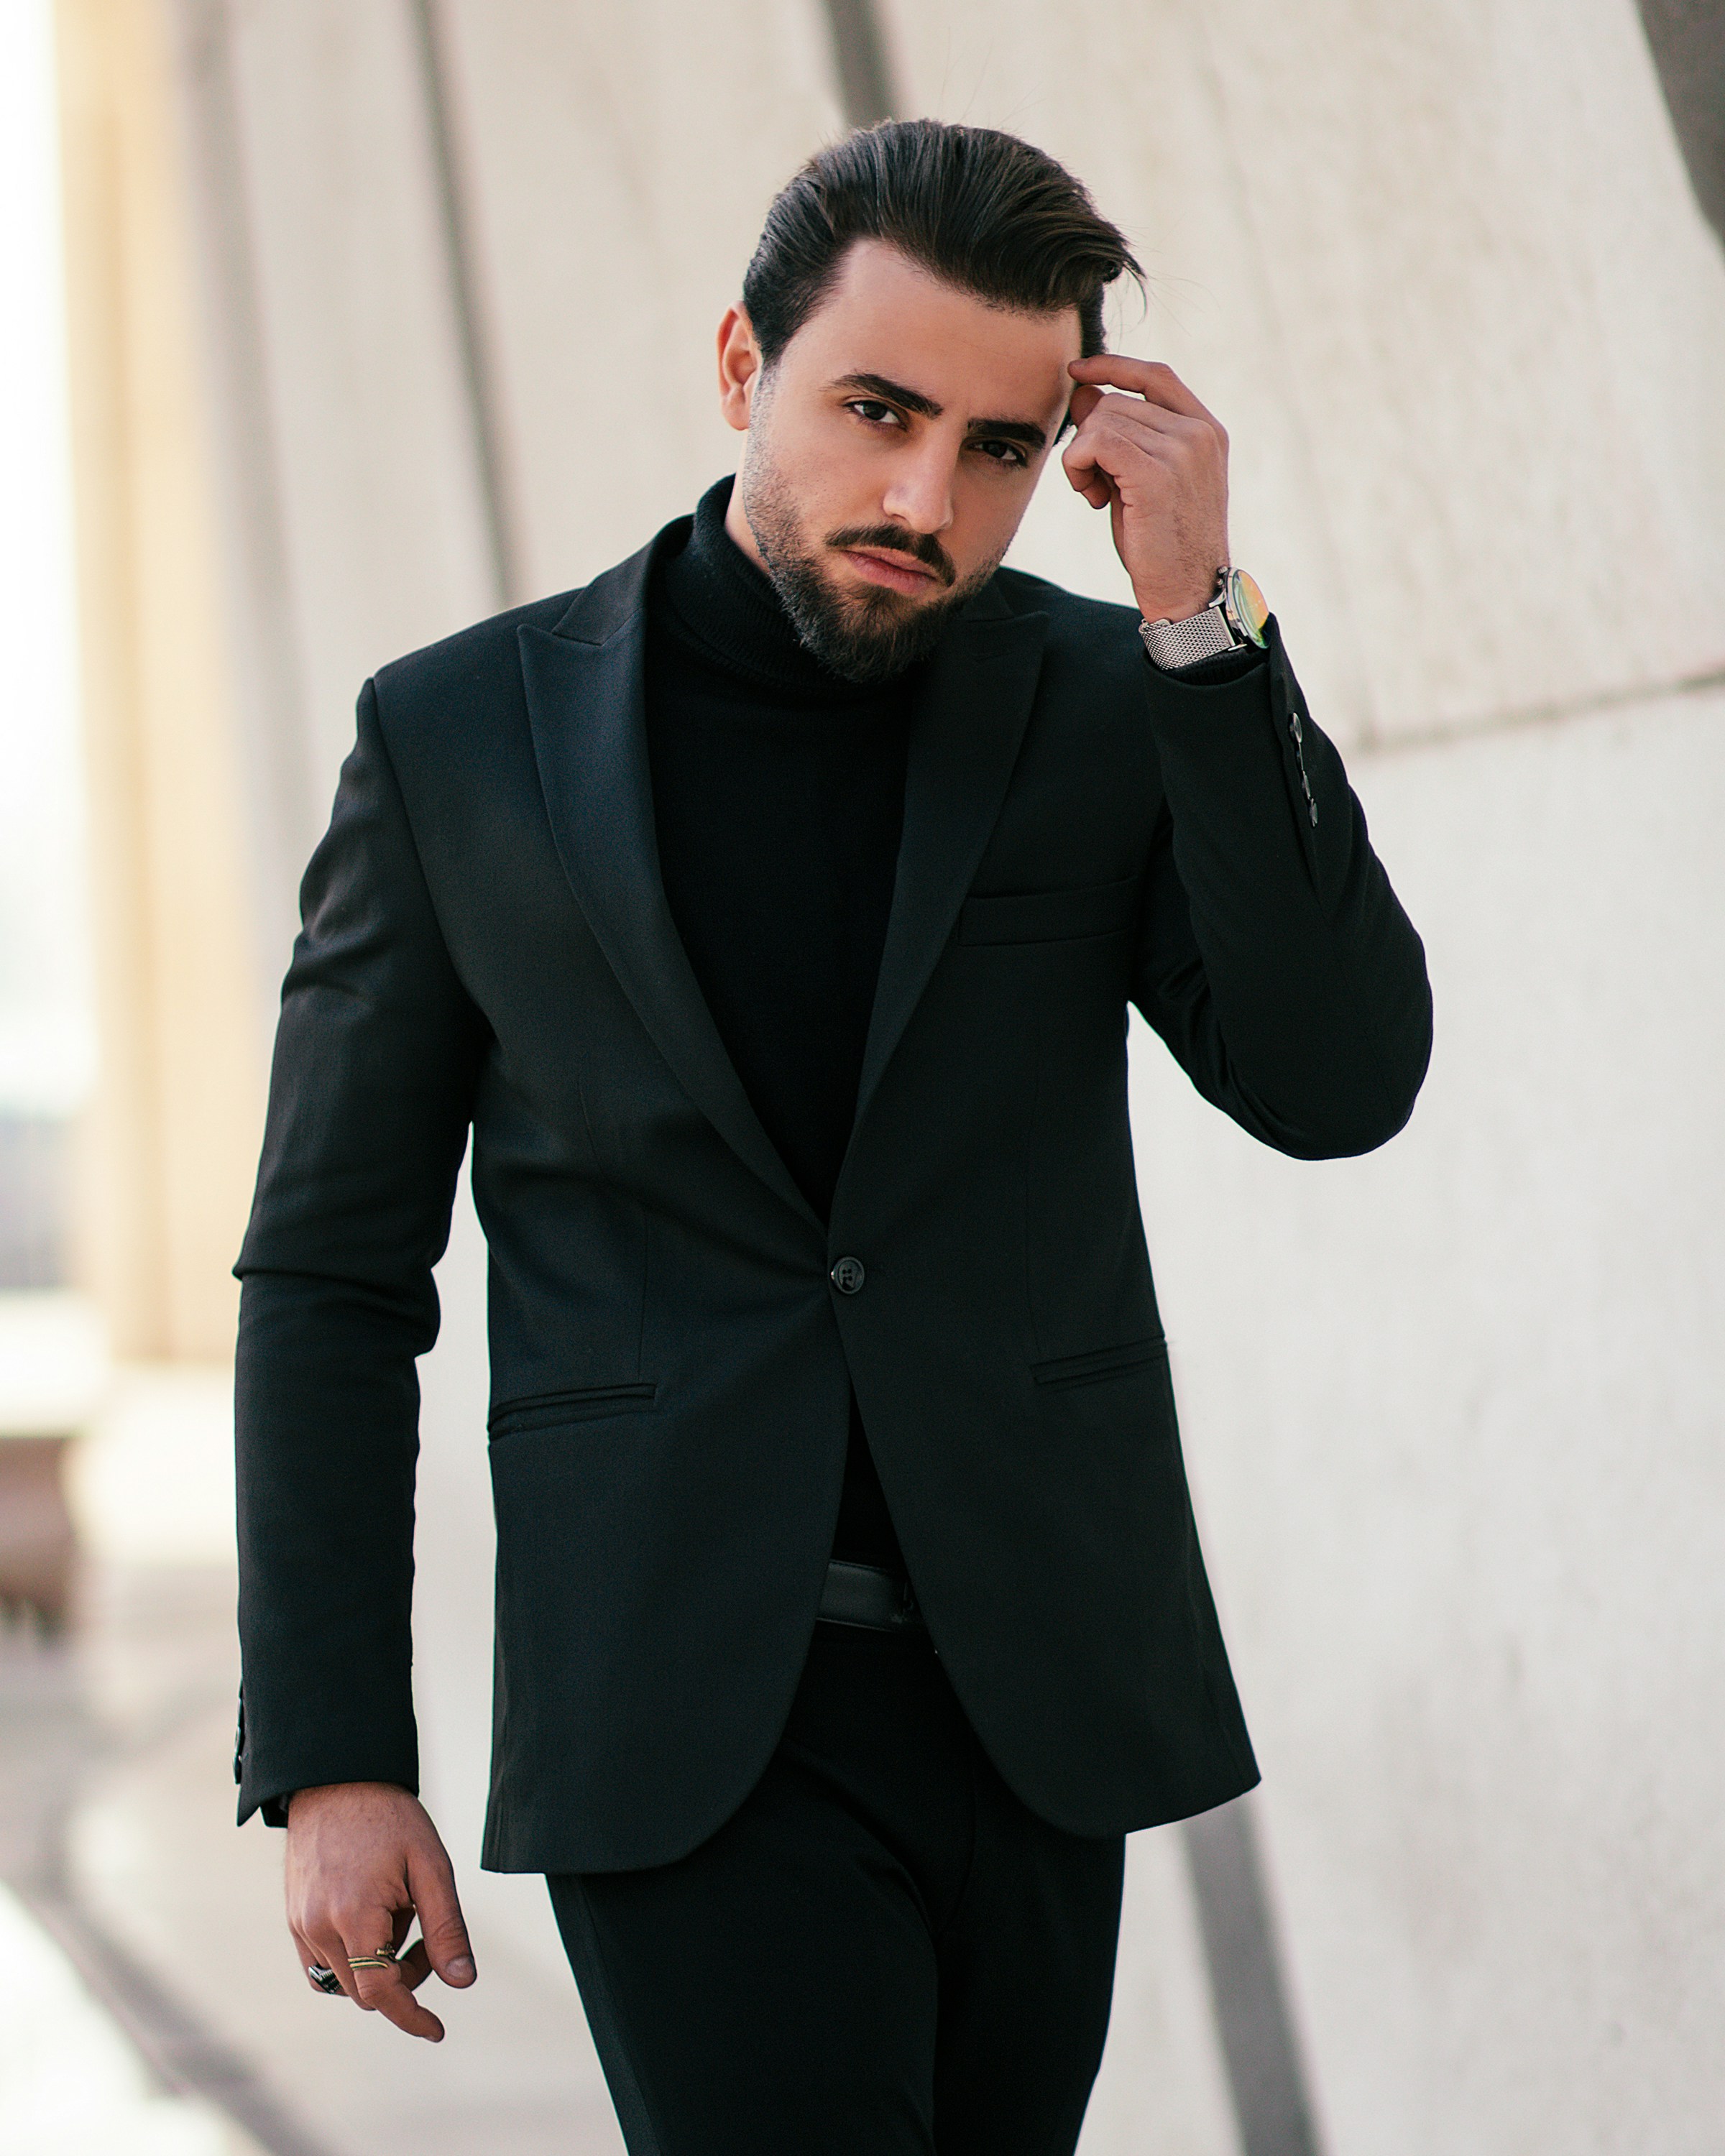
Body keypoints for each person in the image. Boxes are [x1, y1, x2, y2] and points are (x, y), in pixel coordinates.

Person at [234, 119, 1431, 2155]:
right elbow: (335, 1273)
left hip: (1032, 1692)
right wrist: (334, 1755)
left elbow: (1336, 1086)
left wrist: (1203, 618)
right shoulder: (458, 745)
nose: (926, 495)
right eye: (876, 410)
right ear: (739, 366)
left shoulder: (1102, 693)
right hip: (686, 1719)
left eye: (995, 446)